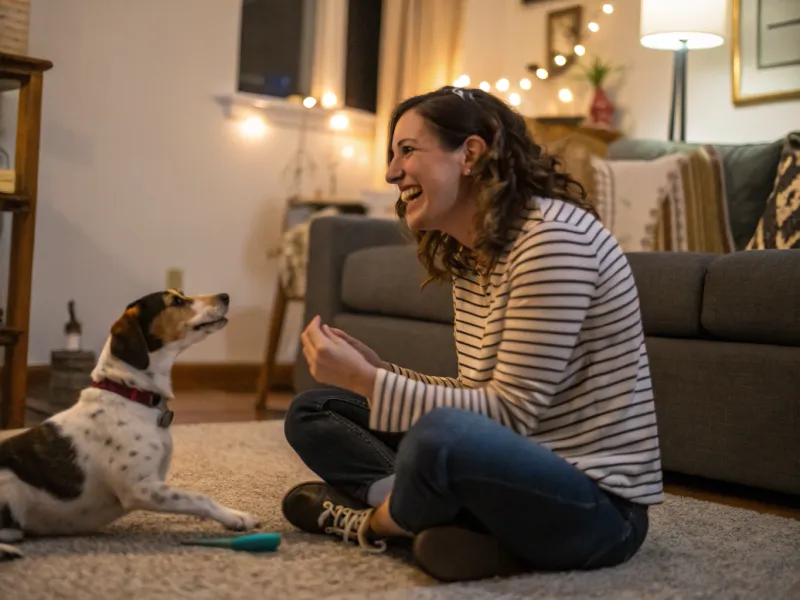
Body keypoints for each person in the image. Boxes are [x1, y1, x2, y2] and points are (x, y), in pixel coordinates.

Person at [280, 85, 663, 582]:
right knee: (315, 409)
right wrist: (377, 375)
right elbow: (479, 399)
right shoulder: (474, 254)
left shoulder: (552, 239)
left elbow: (508, 415)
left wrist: (374, 386)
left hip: (597, 507)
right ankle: (450, 525)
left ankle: (378, 523)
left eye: (407, 151)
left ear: (470, 153)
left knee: (441, 437)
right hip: (515, 467)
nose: (392, 172)